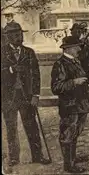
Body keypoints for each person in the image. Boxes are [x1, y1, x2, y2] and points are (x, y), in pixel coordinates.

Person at [1, 22, 51, 167]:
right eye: (15, 34)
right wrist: (10, 69)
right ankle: (14, 157)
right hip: (8, 97)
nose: (19, 36)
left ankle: (38, 155)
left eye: (20, 33)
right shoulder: (2, 52)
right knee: (11, 128)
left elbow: (36, 75)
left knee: (32, 126)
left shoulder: (29, 52)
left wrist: (36, 95)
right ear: (8, 36)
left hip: (26, 96)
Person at [51, 35, 89, 173]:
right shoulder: (60, 64)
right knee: (67, 135)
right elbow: (56, 87)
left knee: (75, 133)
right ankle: (69, 165)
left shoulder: (75, 61)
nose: (80, 49)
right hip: (69, 106)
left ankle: (72, 158)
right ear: (69, 49)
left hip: (80, 105)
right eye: (77, 47)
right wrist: (74, 82)